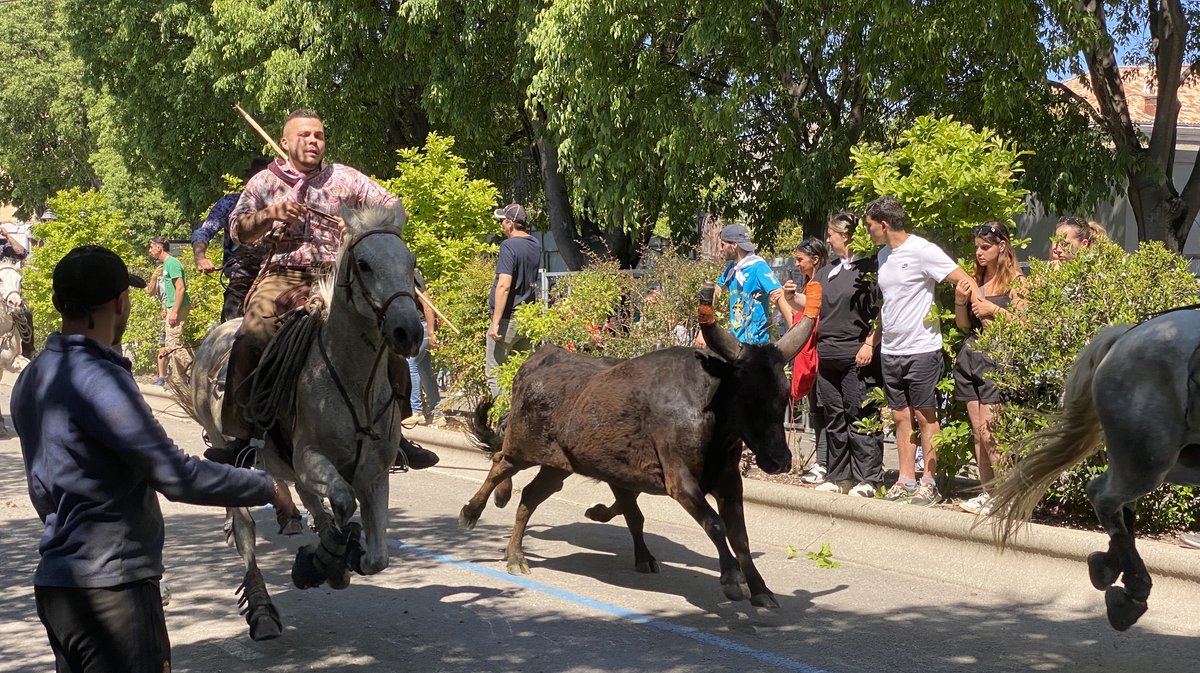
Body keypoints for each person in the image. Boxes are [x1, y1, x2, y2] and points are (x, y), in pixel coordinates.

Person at [13, 244, 290, 673]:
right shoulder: (100, 379)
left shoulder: (33, 375)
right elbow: (177, 476)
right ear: (121, 303)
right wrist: (267, 486)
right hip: (113, 593)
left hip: (58, 588)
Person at [218, 108, 438, 470]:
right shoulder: (264, 184)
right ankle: (241, 438)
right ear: (285, 141)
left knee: (387, 335)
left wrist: (363, 226)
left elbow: (394, 207)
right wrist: (271, 215)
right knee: (251, 337)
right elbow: (238, 230)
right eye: (304, 135)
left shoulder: (346, 178)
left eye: (318, 135)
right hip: (284, 275)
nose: (313, 141)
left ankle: (396, 432)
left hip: (341, 277)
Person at [866, 196, 977, 506]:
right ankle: (905, 479)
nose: (870, 232)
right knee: (901, 416)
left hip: (922, 348)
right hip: (891, 350)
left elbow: (962, 279)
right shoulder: (882, 256)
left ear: (884, 224)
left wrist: (977, 308)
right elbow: (889, 303)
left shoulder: (922, 250)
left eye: (871, 226)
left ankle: (929, 481)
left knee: (925, 415)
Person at [806, 214, 885, 497]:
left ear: (847, 235)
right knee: (834, 416)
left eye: (831, 234)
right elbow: (813, 308)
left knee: (860, 413)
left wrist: (869, 343)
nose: (827, 240)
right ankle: (840, 476)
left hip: (857, 355)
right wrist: (789, 298)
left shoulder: (870, 269)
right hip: (827, 356)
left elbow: (883, 310)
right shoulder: (827, 273)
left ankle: (869, 478)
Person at [955, 222, 1022, 515]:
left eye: (986, 247)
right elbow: (964, 325)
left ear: (1002, 246)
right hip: (972, 355)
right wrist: (960, 303)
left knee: (991, 431)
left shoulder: (1017, 281)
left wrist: (994, 310)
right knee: (977, 433)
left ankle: (1007, 497)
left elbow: (1026, 324)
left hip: (998, 358)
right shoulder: (976, 282)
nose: (980, 253)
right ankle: (988, 493)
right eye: (977, 247)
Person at [192, 158, 273, 322]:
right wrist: (200, 257)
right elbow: (205, 230)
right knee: (231, 323)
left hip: (278, 274)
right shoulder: (230, 202)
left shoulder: (283, 203)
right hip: (242, 276)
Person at [782, 236, 830, 487]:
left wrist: (790, 298)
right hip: (810, 354)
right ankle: (823, 462)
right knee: (817, 410)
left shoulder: (822, 282)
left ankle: (824, 463)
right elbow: (797, 321)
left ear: (815, 259)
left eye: (800, 259)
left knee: (823, 411)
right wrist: (787, 299)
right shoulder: (810, 283)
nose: (797, 264)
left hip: (822, 353)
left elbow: (815, 308)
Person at [486, 202, 541, 397]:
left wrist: (495, 323)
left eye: (502, 221)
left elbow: (504, 285)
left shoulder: (508, 246)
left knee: (495, 373)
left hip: (507, 319)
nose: (501, 225)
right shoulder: (535, 244)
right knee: (523, 374)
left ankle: (503, 422)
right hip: (527, 319)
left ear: (510, 223)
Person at [714, 224, 794, 345]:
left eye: (723, 245)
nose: (720, 249)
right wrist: (704, 326)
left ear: (734, 245)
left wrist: (793, 329)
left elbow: (778, 295)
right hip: (736, 345)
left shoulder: (758, 267)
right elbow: (717, 291)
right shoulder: (733, 269)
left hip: (756, 346)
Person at [149, 236, 190, 387]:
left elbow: (180, 288)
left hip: (176, 307)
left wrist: (174, 312)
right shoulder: (166, 264)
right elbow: (151, 291)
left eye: (151, 247)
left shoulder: (172, 263)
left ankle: (197, 372)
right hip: (171, 307)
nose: (150, 250)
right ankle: (181, 381)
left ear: (159, 248)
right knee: (170, 344)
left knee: (173, 344)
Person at [405, 269, 442, 424]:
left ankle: (416, 411)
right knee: (424, 370)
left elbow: (427, 306)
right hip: (419, 326)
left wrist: (432, 332)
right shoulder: (403, 277)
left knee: (411, 364)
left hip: (422, 327)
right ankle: (438, 413)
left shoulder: (413, 277)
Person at [0, 221, 34, 358]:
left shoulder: (7, 245)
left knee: (26, 314)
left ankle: (28, 352)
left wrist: (8, 236)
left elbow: (22, 253)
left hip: (10, 288)